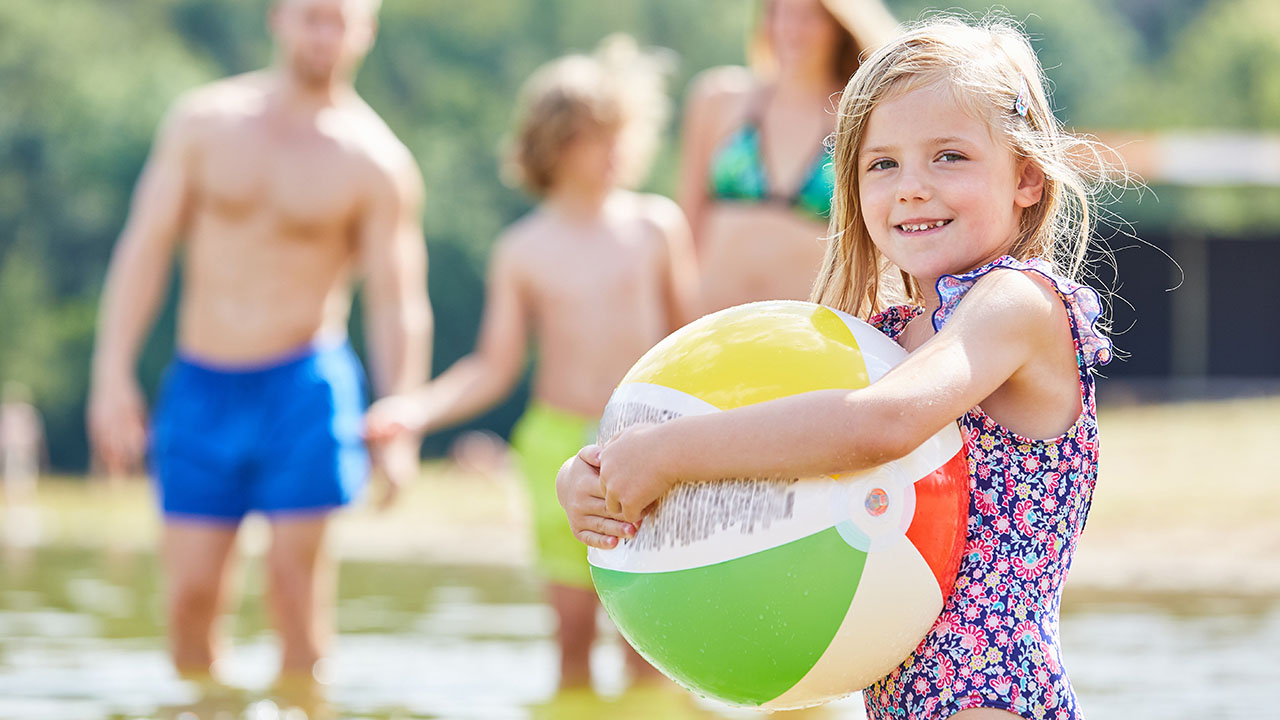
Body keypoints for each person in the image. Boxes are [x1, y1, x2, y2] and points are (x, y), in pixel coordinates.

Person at [559, 16, 1127, 720]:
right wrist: (600, 471)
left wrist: (666, 453)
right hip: (896, 697)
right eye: (882, 164)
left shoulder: (1017, 303)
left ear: (1027, 180)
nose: (911, 187)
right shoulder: (882, 336)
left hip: (992, 692)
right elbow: (774, 451)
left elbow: (882, 426)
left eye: (949, 156)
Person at [86, 0, 431, 689]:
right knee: (188, 602)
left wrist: (402, 416)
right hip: (202, 384)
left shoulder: (375, 160)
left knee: (295, 599)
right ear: (279, 17)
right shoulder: (203, 123)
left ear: (366, 29)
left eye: (342, 21)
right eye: (312, 16)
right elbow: (146, 248)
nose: (325, 35)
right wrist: (111, 372)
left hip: (304, 387)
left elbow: (398, 302)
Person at [364, 36, 696, 690]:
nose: (613, 150)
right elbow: (494, 365)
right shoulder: (523, 249)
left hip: (650, 440)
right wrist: (415, 410)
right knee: (572, 635)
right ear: (552, 146)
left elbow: (695, 342)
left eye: (620, 133)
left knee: (649, 641)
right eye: (593, 137)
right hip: (555, 448)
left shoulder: (657, 227)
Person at [678, 0, 897, 315]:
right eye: (779, 13)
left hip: (809, 333)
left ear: (839, 26)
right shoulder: (718, 99)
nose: (791, 29)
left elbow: (879, 244)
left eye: (808, 17)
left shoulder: (861, 114)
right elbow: (687, 224)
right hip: (711, 326)